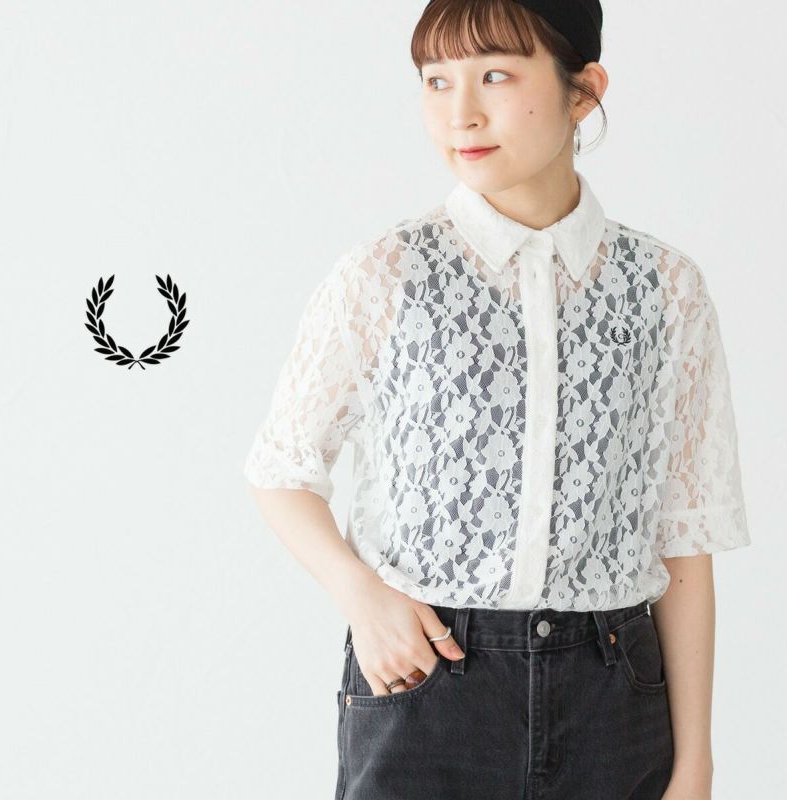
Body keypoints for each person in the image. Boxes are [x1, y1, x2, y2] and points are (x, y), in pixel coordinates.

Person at [243, 2, 751, 798]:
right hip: (425, 684)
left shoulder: (665, 290)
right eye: (436, 81)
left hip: (614, 699)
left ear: (584, 90)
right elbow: (280, 469)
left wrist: (696, 763)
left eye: (496, 76)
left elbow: (684, 537)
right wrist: (363, 598)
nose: (461, 113)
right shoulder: (387, 275)